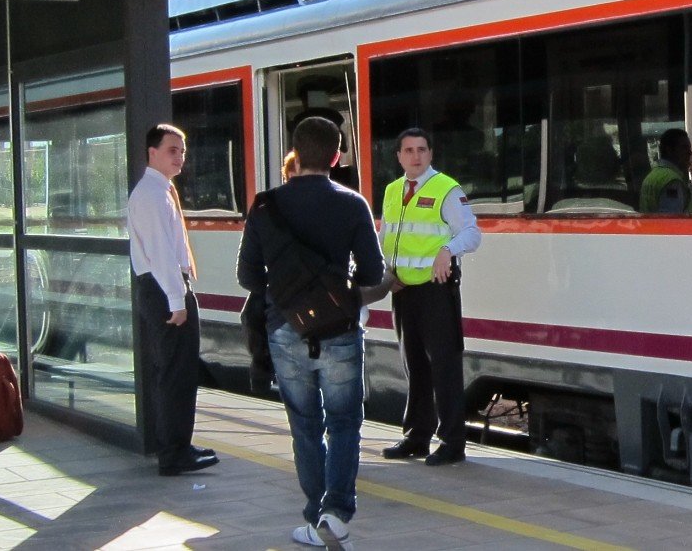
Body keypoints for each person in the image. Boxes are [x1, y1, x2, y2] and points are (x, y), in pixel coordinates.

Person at [237, 116, 385, 549]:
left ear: (295, 154)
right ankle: (336, 514)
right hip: (338, 330)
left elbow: (248, 276)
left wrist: (288, 289)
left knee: (303, 424)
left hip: (285, 329)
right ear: (337, 156)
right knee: (344, 422)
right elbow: (373, 273)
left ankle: (313, 515)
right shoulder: (352, 203)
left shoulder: (265, 206)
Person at [380, 128, 480, 466]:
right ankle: (417, 437)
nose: (416, 156)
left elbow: (471, 233)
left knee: (445, 366)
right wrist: (387, 273)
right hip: (403, 291)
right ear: (398, 156)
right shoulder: (393, 191)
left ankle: (453, 442)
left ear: (431, 153)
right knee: (415, 365)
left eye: (421, 149)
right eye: (408, 150)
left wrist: (447, 250)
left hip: (436, 290)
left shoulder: (446, 189)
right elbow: (387, 238)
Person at [126, 124, 217, 476]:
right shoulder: (151, 194)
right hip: (164, 288)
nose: (180, 157)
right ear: (152, 152)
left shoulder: (159, 190)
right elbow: (161, 253)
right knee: (175, 373)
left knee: (176, 371)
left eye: (182, 150)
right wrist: (178, 301)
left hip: (163, 286)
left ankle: (178, 445)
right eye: (172, 150)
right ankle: (174, 451)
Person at [638, 129, 692, 214]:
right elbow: (672, 220)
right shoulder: (672, 181)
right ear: (669, 150)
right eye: (684, 148)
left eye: (689, 148)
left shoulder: (653, 175)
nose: (690, 152)